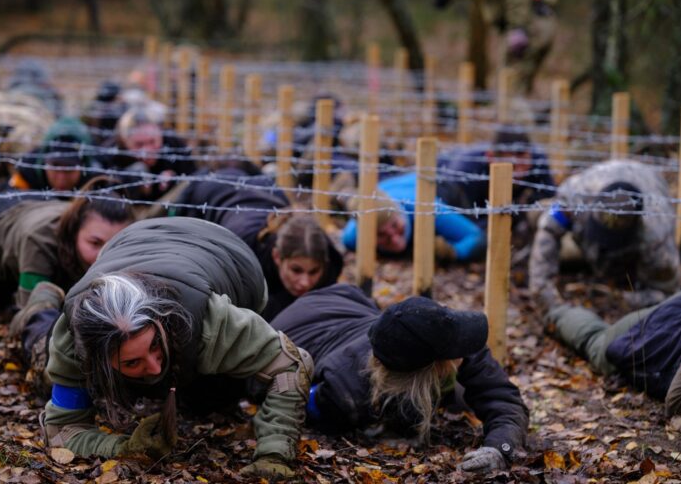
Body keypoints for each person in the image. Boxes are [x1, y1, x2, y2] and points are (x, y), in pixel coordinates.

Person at [13, 217, 311, 478]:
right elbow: (62, 431)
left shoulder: (212, 322)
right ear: (97, 359)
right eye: (132, 362)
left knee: (213, 401)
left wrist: (274, 455)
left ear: (162, 322)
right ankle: (38, 308)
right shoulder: (72, 343)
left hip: (229, 255)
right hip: (129, 242)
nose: (154, 367)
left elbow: (290, 364)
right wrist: (123, 447)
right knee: (44, 372)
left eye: (155, 345)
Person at [271, 283, 528, 473]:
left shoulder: (446, 336)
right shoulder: (344, 392)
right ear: (432, 368)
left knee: (456, 399)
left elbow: (502, 398)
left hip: (341, 299)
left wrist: (499, 447)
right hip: (293, 330)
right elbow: (294, 399)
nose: (467, 351)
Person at [175, 169, 344, 321]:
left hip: (264, 189)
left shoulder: (329, 258)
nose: (305, 282)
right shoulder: (243, 255)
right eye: (296, 270)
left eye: (314, 271)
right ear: (277, 256)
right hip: (214, 191)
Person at [0, 177, 135, 309]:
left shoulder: (92, 220)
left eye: (114, 244)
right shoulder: (39, 242)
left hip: (30, 204)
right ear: (75, 229)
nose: (103, 255)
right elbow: (33, 315)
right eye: (95, 243)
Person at [529, 159, 681, 313]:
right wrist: (542, 290)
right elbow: (548, 228)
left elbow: (668, 293)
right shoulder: (576, 195)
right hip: (592, 198)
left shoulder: (657, 235)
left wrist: (624, 299)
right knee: (536, 214)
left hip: (636, 239)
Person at [545, 293, 681, 417]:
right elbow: (676, 399)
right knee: (595, 341)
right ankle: (555, 312)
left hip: (676, 308)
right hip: (644, 333)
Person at [436, 0, 557, 96]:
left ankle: (516, 113)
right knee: (520, 86)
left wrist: (518, 27)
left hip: (530, 27)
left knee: (509, 89)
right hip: (540, 23)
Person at [341, 172, 486, 260]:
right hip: (390, 186)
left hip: (434, 186)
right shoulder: (352, 237)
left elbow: (476, 237)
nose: (394, 238)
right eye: (381, 235)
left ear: (401, 214)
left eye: (395, 225)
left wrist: (453, 252)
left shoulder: (428, 209)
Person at [437, 125, 555, 226]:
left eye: (523, 163)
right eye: (512, 166)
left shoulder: (538, 160)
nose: (519, 172)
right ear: (490, 157)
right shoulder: (465, 172)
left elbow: (550, 197)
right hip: (446, 187)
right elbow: (463, 220)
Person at [103, 102, 196, 201]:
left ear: (160, 133)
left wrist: (175, 179)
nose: (147, 151)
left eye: (152, 142)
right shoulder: (112, 152)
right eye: (139, 145)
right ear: (125, 142)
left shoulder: (174, 143)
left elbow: (192, 178)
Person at [8, 117, 100, 192]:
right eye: (55, 167)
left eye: (69, 170)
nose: (61, 179)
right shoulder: (27, 170)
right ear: (43, 160)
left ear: (85, 165)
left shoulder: (97, 177)